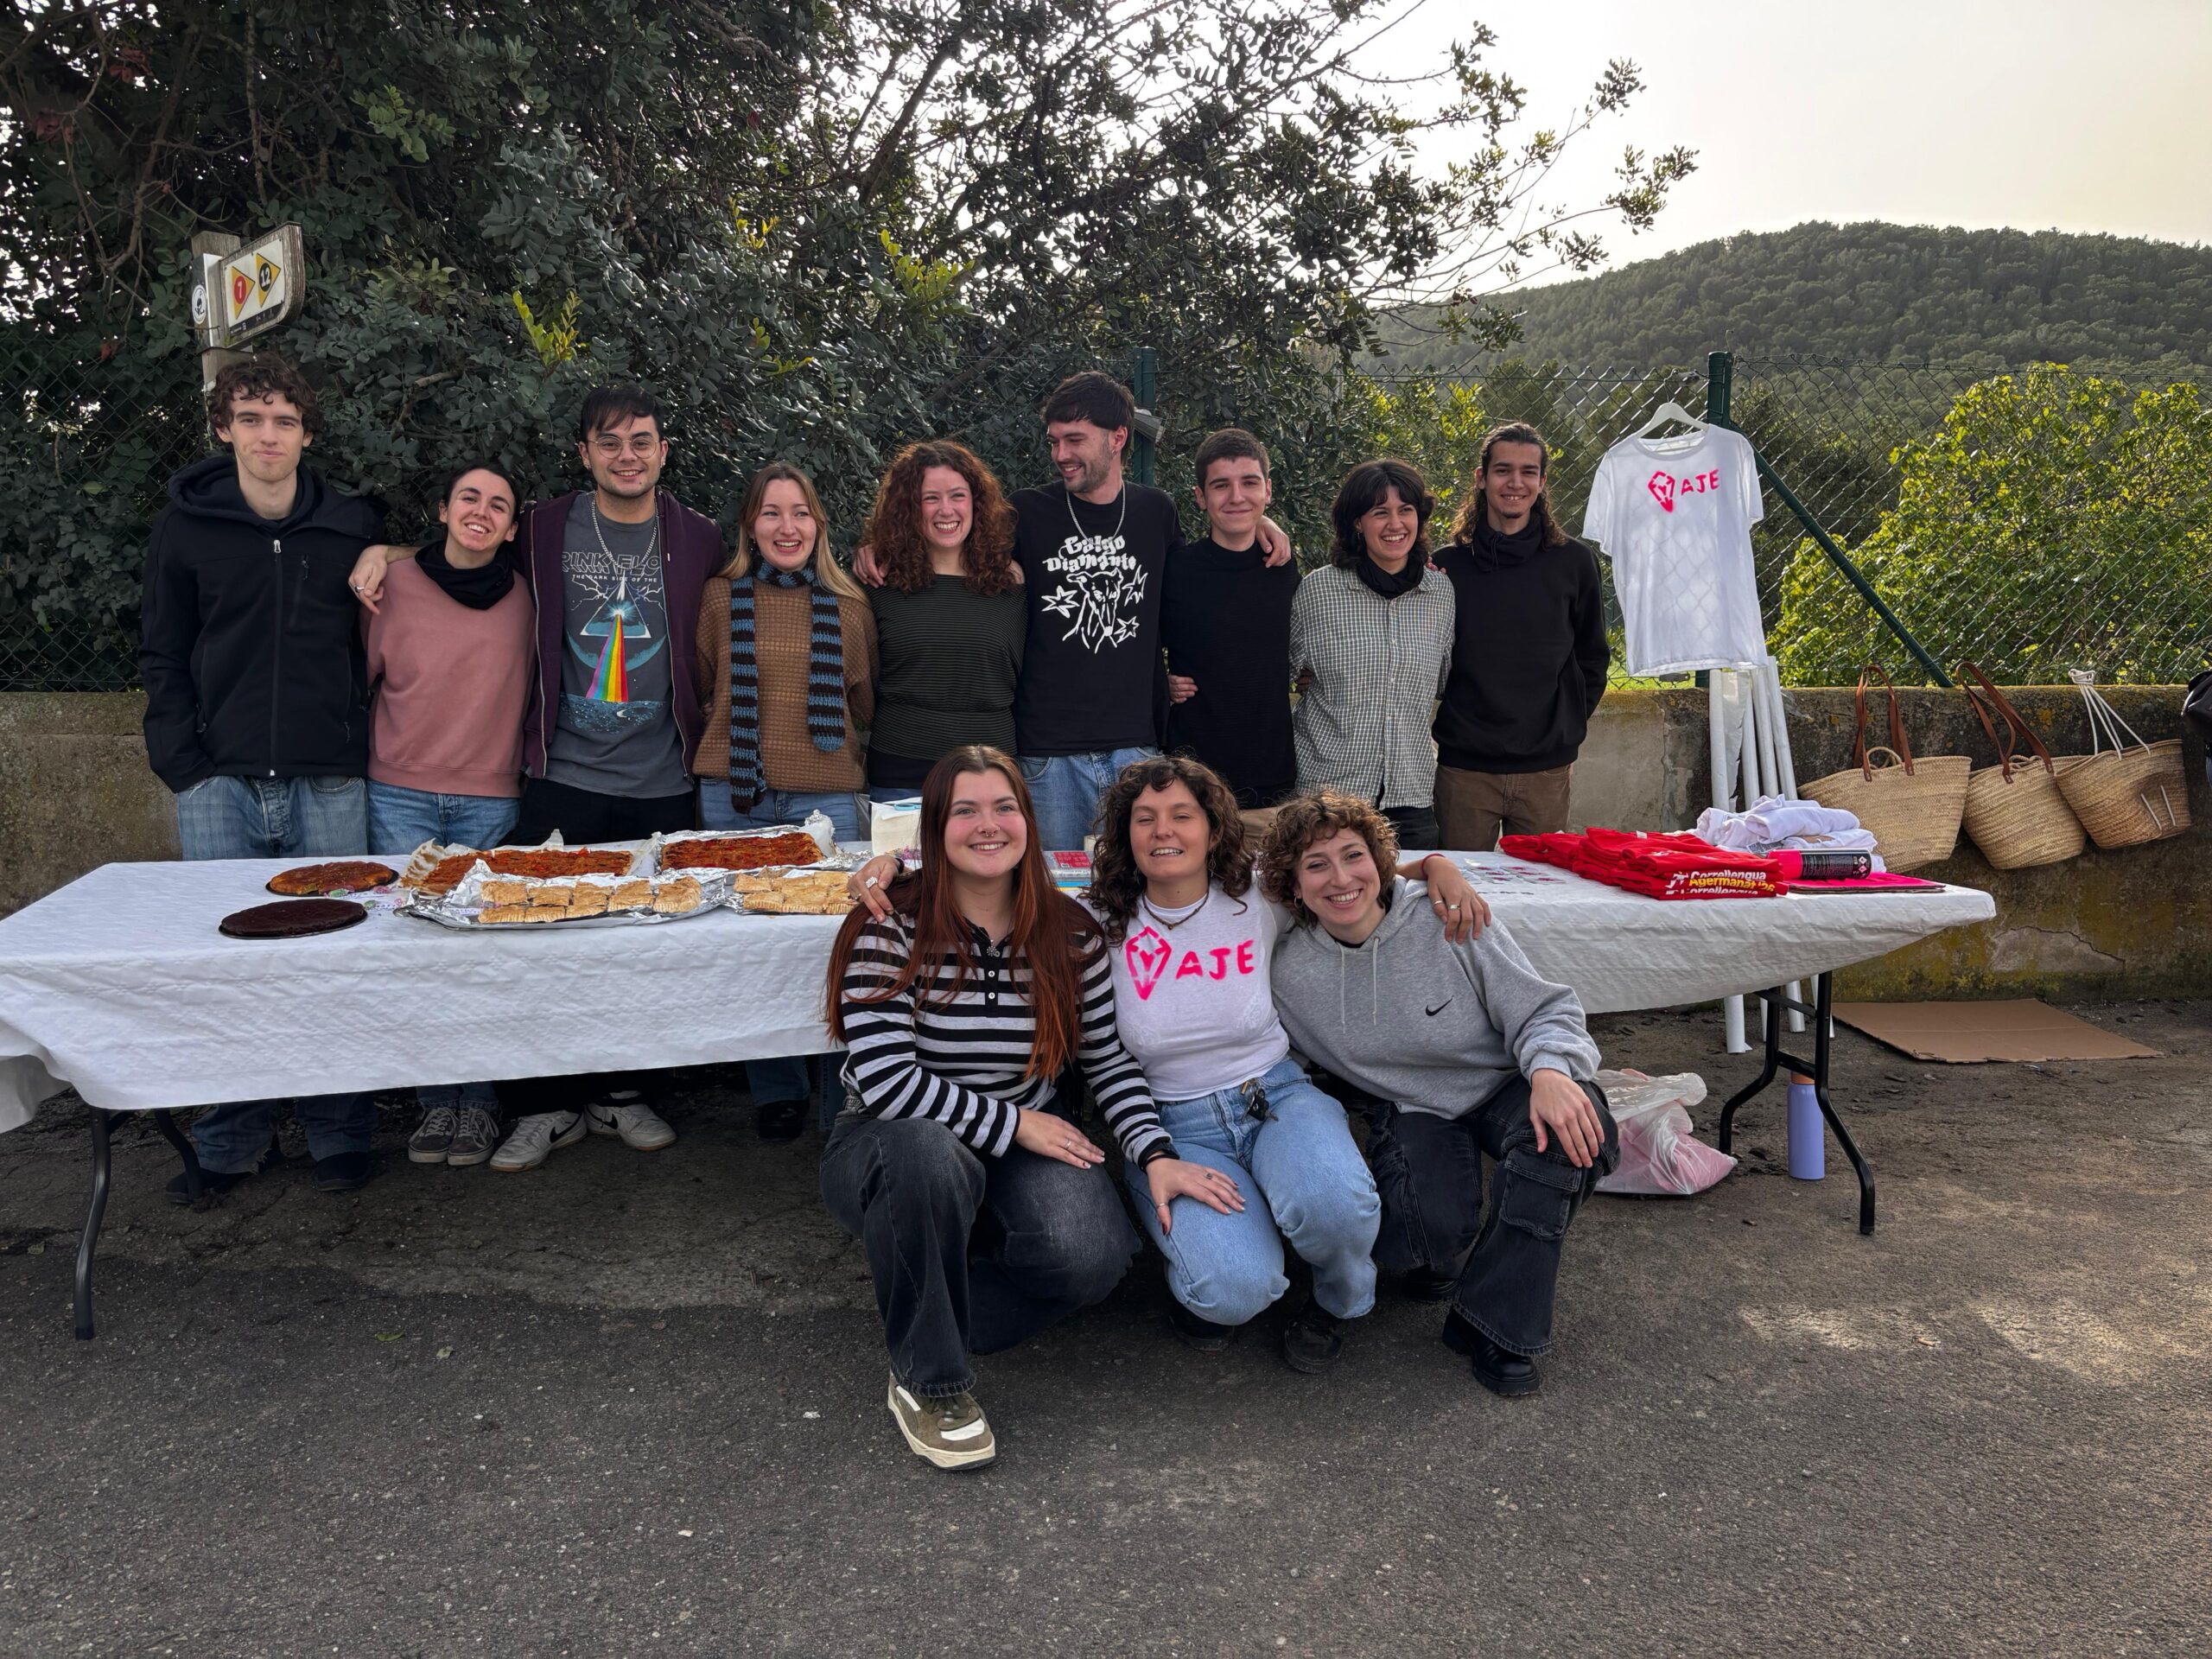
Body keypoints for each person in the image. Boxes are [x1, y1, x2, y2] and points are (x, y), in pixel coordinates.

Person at [844, 752, 1488, 1370]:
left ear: (1213, 828)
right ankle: (1226, 1273)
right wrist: (895, 864)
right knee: (1232, 1290)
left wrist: (1434, 867)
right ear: (1123, 837)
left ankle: (1337, 1304)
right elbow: (993, 866)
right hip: (1175, 1121)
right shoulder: (1094, 920)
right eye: (1144, 818)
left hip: (1276, 1094)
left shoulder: (1259, 894)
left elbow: (1345, 878)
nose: (1163, 831)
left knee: (1336, 1209)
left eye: (1182, 814)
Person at [821, 746, 1236, 1470]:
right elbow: (888, 1083)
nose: (989, 825)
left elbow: (1108, 1059)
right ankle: (931, 1381)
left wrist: (1157, 1154)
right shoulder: (888, 925)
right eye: (966, 811)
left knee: (1093, 1259)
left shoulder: (1072, 934)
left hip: (1018, 1142)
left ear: (1030, 821)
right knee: (923, 1152)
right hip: (893, 1142)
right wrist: (1017, 1123)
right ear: (934, 828)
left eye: (1005, 807)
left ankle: (933, 1293)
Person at [354, 385, 718, 1168]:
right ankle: (543, 1104)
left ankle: (619, 1094)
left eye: (643, 442)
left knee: (636, 947)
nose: (628, 456)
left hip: (661, 777)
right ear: (584, 453)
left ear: (664, 452)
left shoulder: (699, 537)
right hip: (562, 774)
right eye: (610, 443)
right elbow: (463, 546)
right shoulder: (546, 525)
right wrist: (382, 552)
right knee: (541, 944)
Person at [1260, 790, 1618, 1398]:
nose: (1341, 878)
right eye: (1316, 865)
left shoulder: (1446, 917)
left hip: (1510, 1084)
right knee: (1415, 1239)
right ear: (1293, 885)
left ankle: (1497, 1328)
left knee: (1566, 1143)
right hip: (1412, 1108)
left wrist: (1554, 1073)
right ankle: (1446, 1255)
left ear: (1379, 861)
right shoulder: (1286, 967)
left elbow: (1546, 1008)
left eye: (1354, 857)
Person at [852, 372, 1290, 851]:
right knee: (1055, 898)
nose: (1061, 454)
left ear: (1118, 438)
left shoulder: (1156, 512)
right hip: (1046, 756)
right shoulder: (1026, 512)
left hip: (1137, 749)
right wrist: (879, 546)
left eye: (1075, 440)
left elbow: (1197, 579)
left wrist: (1257, 519)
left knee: (1133, 891)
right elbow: (953, 542)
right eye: (1055, 441)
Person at [139, 355, 386, 1199]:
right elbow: (162, 651)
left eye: (284, 419)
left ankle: (337, 1131)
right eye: (251, 419)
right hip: (221, 783)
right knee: (225, 969)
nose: (268, 435)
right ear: (224, 429)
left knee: (331, 961)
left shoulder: (349, 522)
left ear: (307, 433)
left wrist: (385, 549)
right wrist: (185, 767)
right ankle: (230, 1139)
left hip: (328, 782)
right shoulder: (187, 526)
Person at [691, 461, 879, 1140]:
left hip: (825, 799)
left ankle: (839, 1088)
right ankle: (775, 1091)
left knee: (833, 949)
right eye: (772, 513)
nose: (787, 526)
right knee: (747, 952)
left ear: (819, 525)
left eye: (800, 513)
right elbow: (704, 681)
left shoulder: (851, 606)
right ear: (750, 525)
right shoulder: (719, 598)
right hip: (732, 795)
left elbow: (863, 701)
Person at [360, 461, 535, 1168]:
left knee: (480, 960)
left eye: (499, 504)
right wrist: (386, 553)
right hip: (398, 791)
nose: (482, 511)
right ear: (441, 508)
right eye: (470, 497)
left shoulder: (528, 597)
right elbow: (361, 675)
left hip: (492, 797)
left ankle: (480, 1104)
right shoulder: (391, 585)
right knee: (418, 955)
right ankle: (437, 1100)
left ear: (513, 526)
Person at [1432, 423, 1611, 849]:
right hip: (1465, 770)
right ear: (1482, 477)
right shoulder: (1446, 568)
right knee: (1459, 896)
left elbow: (1593, 659)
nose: (1516, 483)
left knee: (1540, 900)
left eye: (1528, 472)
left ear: (1542, 482)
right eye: (1503, 471)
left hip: (1545, 772)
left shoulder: (1574, 563)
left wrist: (1564, 736)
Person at [1288, 459, 1457, 849]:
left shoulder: (1440, 594)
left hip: (1410, 796)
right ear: (1357, 523)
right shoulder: (1318, 592)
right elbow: (1275, 671)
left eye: (1406, 510)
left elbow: (1445, 681)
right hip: (1329, 795)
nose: (1395, 525)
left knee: (1412, 907)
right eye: (1380, 512)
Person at [857, 441, 1026, 804]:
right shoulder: (878, 580)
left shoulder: (1013, 581)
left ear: (977, 502)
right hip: (901, 769)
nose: (945, 509)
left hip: (991, 772)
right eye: (929, 498)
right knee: (902, 864)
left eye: (957, 495)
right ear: (908, 508)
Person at [1160, 429, 1300, 823]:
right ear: (1201, 497)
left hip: (1272, 784)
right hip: (1190, 783)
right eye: (1221, 486)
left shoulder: (1283, 567)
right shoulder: (1175, 570)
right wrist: (1160, 680)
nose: (1237, 497)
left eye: (1249, 483)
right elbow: (1133, 645)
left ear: (1268, 490)